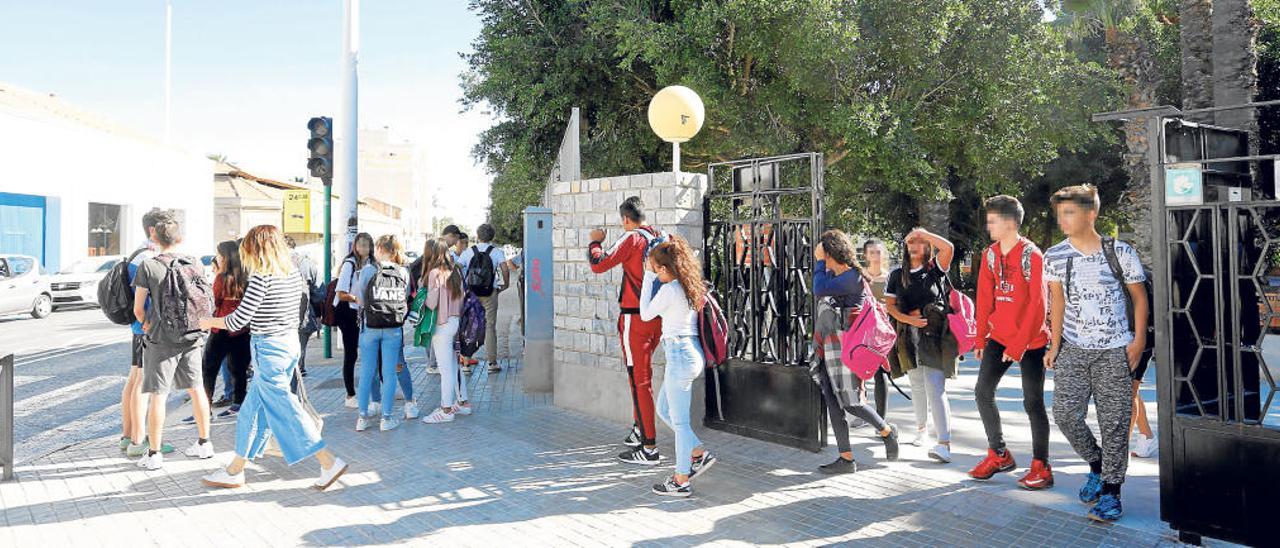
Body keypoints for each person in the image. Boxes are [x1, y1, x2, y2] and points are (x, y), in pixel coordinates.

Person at [198, 224, 348, 490]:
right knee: (250, 411)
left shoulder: (261, 276)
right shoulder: (291, 272)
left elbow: (239, 319)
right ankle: (235, 469)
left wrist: (208, 321)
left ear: (255, 248)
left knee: (286, 408)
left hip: (268, 349)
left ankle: (328, 461)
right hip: (287, 344)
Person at [1044, 184, 1148, 522]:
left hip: (1115, 349)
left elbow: (1139, 297)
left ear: (1092, 214)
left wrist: (1138, 341)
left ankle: (1111, 492)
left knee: (1115, 423)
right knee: (1065, 414)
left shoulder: (1121, 252)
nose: (1063, 219)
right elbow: (1056, 302)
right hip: (1073, 348)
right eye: (1060, 213)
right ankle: (1097, 464)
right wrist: (1055, 344)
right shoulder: (1055, 255)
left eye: (1069, 212)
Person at [968, 196, 1054, 489]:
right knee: (982, 392)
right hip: (999, 337)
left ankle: (1041, 466)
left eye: (992, 220)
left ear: (1009, 222)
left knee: (1033, 403)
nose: (988, 225)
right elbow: (984, 299)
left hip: (1031, 340)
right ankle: (999, 454)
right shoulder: (990, 255)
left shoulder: (1032, 255)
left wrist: (1018, 345)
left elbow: (1038, 305)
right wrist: (980, 337)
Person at [811, 230, 900, 474]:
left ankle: (887, 431)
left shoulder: (852, 277)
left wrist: (819, 261)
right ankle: (846, 458)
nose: (822, 260)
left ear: (832, 254)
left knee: (851, 401)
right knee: (832, 399)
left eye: (824, 255)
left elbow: (818, 289)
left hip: (848, 346)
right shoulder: (835, 274)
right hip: (829, 344)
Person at [131, 209, 214, 470]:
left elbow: (138, 308)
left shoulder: (149, 265)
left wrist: (146, 325)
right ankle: (204, 443)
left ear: (154, 237)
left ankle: (154, 453)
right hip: (192, 334)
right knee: (196, 388)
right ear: (179, 239)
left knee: (158, 394)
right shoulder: (195, 262)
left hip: (161, 338)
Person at [588, 196, 664, 465]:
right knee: (641, 377)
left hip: (635, 320)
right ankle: (638, 430)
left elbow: (599, 264)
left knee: (638, 380)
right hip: (657, 318)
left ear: (626, 220)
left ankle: (650, 447)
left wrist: (595, 241)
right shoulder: (659, 236)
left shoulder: (632, 238)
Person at [640, 236, 718, 496]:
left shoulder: (670, 289)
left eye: (655, 268)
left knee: (681, 422)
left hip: (680, 356)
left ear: (663, 269)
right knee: (664, 409)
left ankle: (681, 479)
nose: (653, 271)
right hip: (689, 353)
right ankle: (698, 452)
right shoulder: (688, 286)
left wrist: (648, 278)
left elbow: (645, 314)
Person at [884, 227, 957, 463]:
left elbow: (949, 248)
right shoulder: (897, 274)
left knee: (935, 386)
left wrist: (924, 233)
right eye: (911, 242)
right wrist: (909, 320)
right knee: (916, 384)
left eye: (920, 242)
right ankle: (921, 429)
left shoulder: (934, 268)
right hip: (908, 334)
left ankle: (944, 443)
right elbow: (891, 307)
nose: (915, 245)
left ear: (928, 246)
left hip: (934, 336)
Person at [861, 238, 928, 444]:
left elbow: (897, 302)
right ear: (865, 256)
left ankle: (881, 420)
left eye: (878, 252)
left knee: (883, 374)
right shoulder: (860, 277)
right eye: (871, 252)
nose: (875, 256)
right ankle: (859, 412)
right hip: (863, 331)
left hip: (887, 330)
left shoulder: (891, 276)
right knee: (858, 374)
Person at [122, 209, 174, 458]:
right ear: (154, 230)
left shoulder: (136, 253)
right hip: (146, 326)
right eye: (166, 227)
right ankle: (139, 440)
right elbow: (143, 302)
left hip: (137, 326)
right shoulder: (148, 258)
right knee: (144, 383)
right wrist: (148, 322)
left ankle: (128, 436)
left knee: (134, 379)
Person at [354, 235, 416, 432]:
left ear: (379, 248)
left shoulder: (369, 270)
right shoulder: (403, 272)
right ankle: (386, 419)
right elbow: (404, 299)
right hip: (393, 329)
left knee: (366, 372)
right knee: (389, 374)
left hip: (370, 328)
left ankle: (362, 417)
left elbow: (359, 299)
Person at [420, 238, 473, 424]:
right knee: (453, 364)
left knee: (445, 369)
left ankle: (446, 409)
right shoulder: (455, 271)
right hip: (455, 321)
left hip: (441, 325)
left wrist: (422, 291)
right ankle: (463, 403)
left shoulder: (435, 273)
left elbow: (431, 303)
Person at [201, 240, 252, 420]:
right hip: (242, 329)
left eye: (219, 255)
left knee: (208, 369)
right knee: (239, 370)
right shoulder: (246, 276)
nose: (217, 258)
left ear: (225, 257)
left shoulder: (221, 278)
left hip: (220, 329)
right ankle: (239, 403)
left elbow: (214, 302)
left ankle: (204, 408)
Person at [458, 223, 509, 373]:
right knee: (490, 326)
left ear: (478, 235)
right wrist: (505, 284)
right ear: (492, 237)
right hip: (489, 293)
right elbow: (505, 269)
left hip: (471, 293)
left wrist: (462, 285)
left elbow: (457, 268)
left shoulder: (468, 252)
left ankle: (466, 363)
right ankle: (492, 363)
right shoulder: (496, 252)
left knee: (468, 326)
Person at [335, 233, 375, 410]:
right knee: (351, 353)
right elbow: (340, 293)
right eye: (361, 245)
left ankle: (374, 393)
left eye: (367, 245)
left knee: (369, 351)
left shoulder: (372, 264)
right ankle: (350, 394)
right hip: (347, 312)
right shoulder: (349, 264)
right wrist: (356, 299)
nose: (364, 249)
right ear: (355, 246)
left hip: (363, 311)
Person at [287, 236, 321, 380]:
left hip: (285, 316)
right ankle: (300, 367)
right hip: (306, 314)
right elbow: (319, 292)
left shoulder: (277, 263)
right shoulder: (307, 264)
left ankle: (296, 370)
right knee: (300, 345)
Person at [1130, 350, 1157, 458]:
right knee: (1130, 389)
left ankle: (1120, 450)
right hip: (1118, 339)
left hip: (1138, 341)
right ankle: (1147, 436)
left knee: (1129, 390)